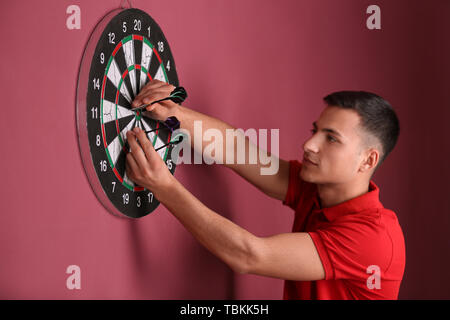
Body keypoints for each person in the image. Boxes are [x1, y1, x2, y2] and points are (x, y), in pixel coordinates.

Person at [125, 79, 405, 300]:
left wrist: (164, 187)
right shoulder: (315, 186)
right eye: (315, 130)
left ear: (367, 160)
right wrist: (174, 115)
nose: (309, 145)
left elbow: (249, 255)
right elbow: (236, 149)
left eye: (331, 139)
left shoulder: (374, 239)